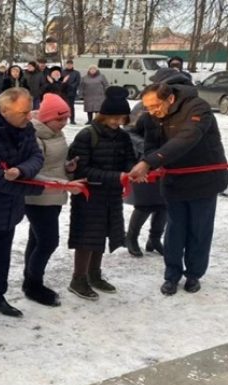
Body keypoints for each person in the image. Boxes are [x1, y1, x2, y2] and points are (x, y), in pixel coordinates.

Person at [0, 88, 83, 336]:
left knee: (1, 256)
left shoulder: (25, 129)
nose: (30, 116)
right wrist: (38, 187)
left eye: (30, 110)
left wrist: (20, 171)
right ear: (5, 111)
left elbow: (36, 158)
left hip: (9, 207)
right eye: (24, 112)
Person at [128, 82, 227, 295]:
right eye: (147, 107)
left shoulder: (198, 107)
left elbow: (186, 139)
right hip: (174, 181)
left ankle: (194, 274)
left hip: (204, 180)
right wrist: (148, 159)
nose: (152, 111)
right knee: (175, 230)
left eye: (155, 106)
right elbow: (151, 144)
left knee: (199, 230)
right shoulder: (153, 116)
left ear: (170, 99)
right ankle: (172, 275)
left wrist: (150, 162)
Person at [67, 86, 136, 300]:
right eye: (112, 117)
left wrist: (132, 170)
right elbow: (81, 169)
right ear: (102, 115)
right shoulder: (87, 135)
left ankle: (94, 274)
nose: (117, 122)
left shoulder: (123, 137)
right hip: (89, 196)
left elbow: (129, 160)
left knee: (102, 234)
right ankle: (78, 279)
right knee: (87, 237)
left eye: (121, 118)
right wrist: (115, 177)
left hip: (111, 196)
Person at [22, 94, 76, 307]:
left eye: (66, 119)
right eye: (59, 119)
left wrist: (68, 167)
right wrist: (60, 182)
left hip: (55, 194)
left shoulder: (55, 133)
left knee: (36, 239)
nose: (63, 123)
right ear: (46, 118)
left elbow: (55, 163)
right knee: (48, 241)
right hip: (38, 196)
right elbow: (32, 172)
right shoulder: (35, 137)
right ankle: (34, 284)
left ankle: (29, 278)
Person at [123, 102, 167, 257]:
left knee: (164, 204)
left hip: (165, 160)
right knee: (144, 203)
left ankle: (154, 239)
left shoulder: (175, 108)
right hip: (143, 161)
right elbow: (128, 130)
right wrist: (146, 147)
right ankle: (131, 238)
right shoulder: (144, 105)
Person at [62, 59, 81, 124]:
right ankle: (63, 119)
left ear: (72, 65)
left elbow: (77, 82)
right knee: (63, 106)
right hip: (63, 92)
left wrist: (71, 86)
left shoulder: (76, 73)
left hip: (71, 92)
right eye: (68, 64)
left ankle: (72, 119)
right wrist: (64, 84)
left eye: (70, 64)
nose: (69, 65)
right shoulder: (62, 72)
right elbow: (60, 81)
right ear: (66, 65)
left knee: (71, 106)